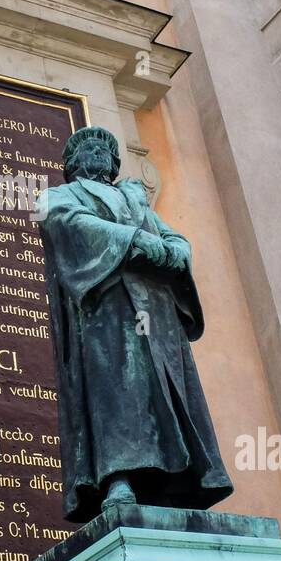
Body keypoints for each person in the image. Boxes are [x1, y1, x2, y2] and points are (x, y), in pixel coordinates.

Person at [36, 126, 233, 521]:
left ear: (113, 164)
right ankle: (118, 477)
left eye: (105, 150)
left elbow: (171, 236)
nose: (98, 153)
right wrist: (133, 241)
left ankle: (176, 482)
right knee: (115, 393)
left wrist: (178, 250)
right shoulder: (58, 196)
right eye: (88, 148)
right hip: (106, 308)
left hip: (155, 310)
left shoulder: (135, 198)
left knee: (166, 393)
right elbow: (71, 224)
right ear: (72, 163)